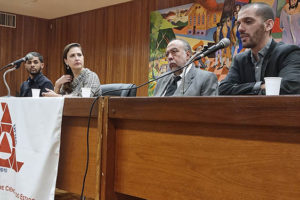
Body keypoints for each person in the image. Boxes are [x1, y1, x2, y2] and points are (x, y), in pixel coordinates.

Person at [219, 2, 300, 95]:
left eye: (248, 22)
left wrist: (242, 89)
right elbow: (223, 89)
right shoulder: (239, 59)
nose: (240, 29)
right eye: (238, 24)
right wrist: (261, 86)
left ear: (268, 25)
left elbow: (290, 87)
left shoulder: (289, 53)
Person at [153, 38, 218, 96]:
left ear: (187, 55)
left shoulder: (206, 78)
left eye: (174, 51)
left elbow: (209, 108)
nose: (169, 57)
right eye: (167, 54)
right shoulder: (162, 78)